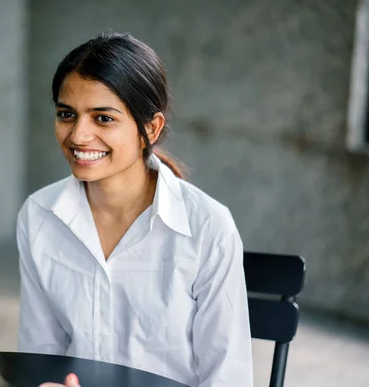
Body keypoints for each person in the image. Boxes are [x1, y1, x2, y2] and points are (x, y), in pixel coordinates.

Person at [17, 33, 253, 387]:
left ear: (150, 129)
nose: (78, 135)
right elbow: (41, 358)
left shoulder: (208, 228)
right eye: (67, 114)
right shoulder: (38, 217)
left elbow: (227, 378)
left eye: (103, 118)